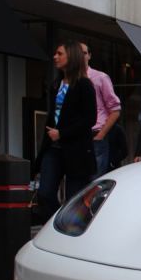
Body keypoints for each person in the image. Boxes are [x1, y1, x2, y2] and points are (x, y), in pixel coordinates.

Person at [34, 41, 97, 220]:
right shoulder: (56, 85)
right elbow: (52, 117)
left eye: (60, 53)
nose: (55, 57)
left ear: (71, 57)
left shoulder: (84, 85)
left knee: (74, 200)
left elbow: (89, 119)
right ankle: (58, 224)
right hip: (53, 149)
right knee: (45, 193)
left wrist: (63, 133)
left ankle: (69, 231)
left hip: (76, 151)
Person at [81, 41, 121, 176]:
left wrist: (101, 134)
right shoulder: (67, 80)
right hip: (75, 136)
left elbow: (115, 109)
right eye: (77, 53)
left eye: (84, 53)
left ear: (90, 56)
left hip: (95, 134)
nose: (81, 56)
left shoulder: (100, 78)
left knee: (94, 180)